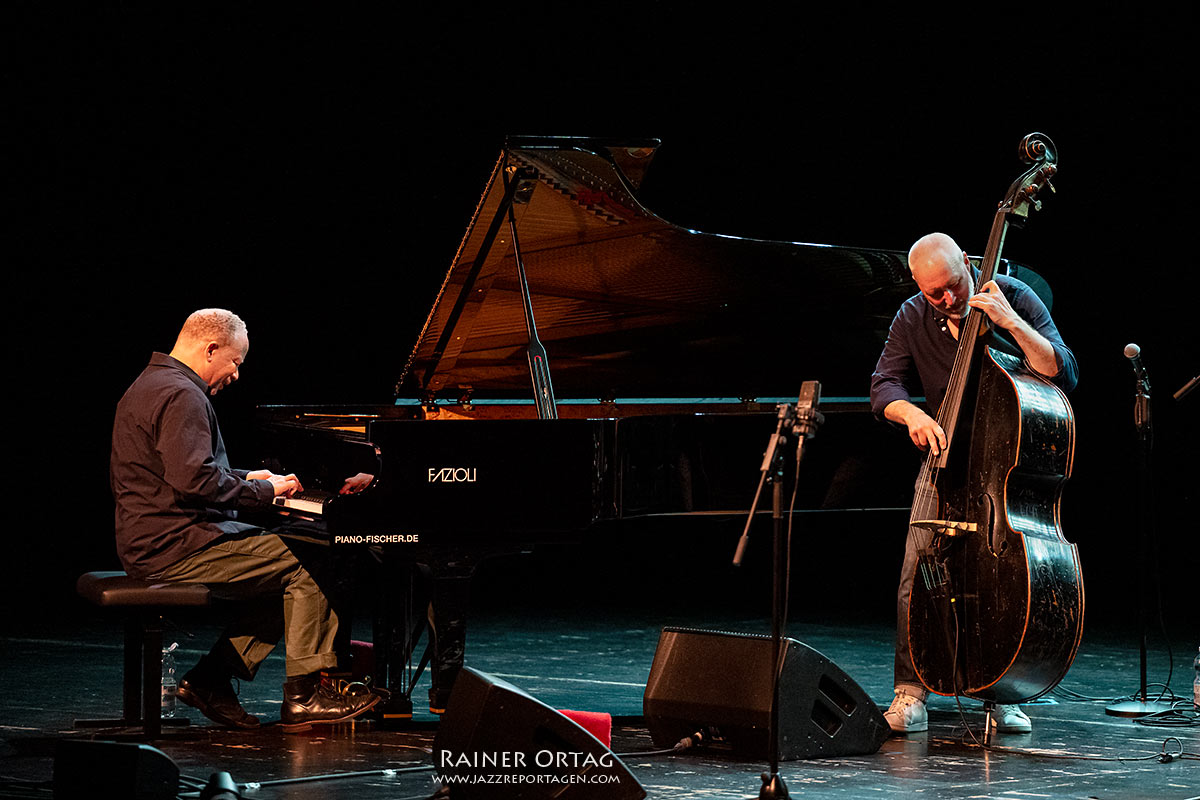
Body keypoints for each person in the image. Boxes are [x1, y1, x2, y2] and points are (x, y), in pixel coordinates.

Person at [110, 308, 379, 731]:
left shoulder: (151, 383)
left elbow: (180, 471)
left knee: (280, 573)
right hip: (175, 546)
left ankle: (211, 680)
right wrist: (266, 493)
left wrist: (248, 477)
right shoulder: (182, 395)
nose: (236, 374)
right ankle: (304, 696)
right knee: (312, 560)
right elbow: (195, 482)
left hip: (154, 539)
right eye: (235, 361)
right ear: (210, 349)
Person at [869, 233, 1078, 735]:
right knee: (916, 571)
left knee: (1005, 580)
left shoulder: (1016, 296)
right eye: (934, 293)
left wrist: (1010, 322)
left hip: (1002, 463)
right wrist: (912, 415)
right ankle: (910, 691)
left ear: (967, 262)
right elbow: (884, 385)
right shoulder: (912, 316)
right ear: (918, 286)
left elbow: (1063, 371)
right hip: (943, 460)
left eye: (954, 286)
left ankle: (1001, 692)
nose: (947, 299)